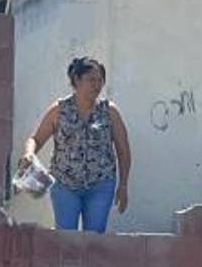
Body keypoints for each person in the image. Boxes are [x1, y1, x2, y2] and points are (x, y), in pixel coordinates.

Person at [18, 56, 131, 233]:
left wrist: (123, 185)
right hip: (65, 184)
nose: (97, 85)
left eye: (100, 80)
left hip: (100, 184)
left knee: (94, 237)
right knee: (65, 237)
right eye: (91, 80)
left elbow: (123, 150)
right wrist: (29, 154)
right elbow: (36, 139)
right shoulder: (59, 110)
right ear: (77, 80)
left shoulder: (109, 111)